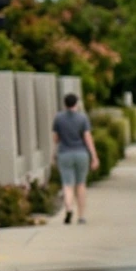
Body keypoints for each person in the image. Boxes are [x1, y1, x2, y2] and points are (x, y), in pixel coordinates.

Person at [50, 94, 98, 225]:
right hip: (81, 153)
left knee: (67, 185)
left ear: (65, 104)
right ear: (76, 103)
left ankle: (69, 208)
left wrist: (55, 153)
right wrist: (94, 156)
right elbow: (87, 138)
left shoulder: (58, 118)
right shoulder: (82, 118)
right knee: (81, 185)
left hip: (64, 154)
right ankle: (81, 216)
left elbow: (55, 139)